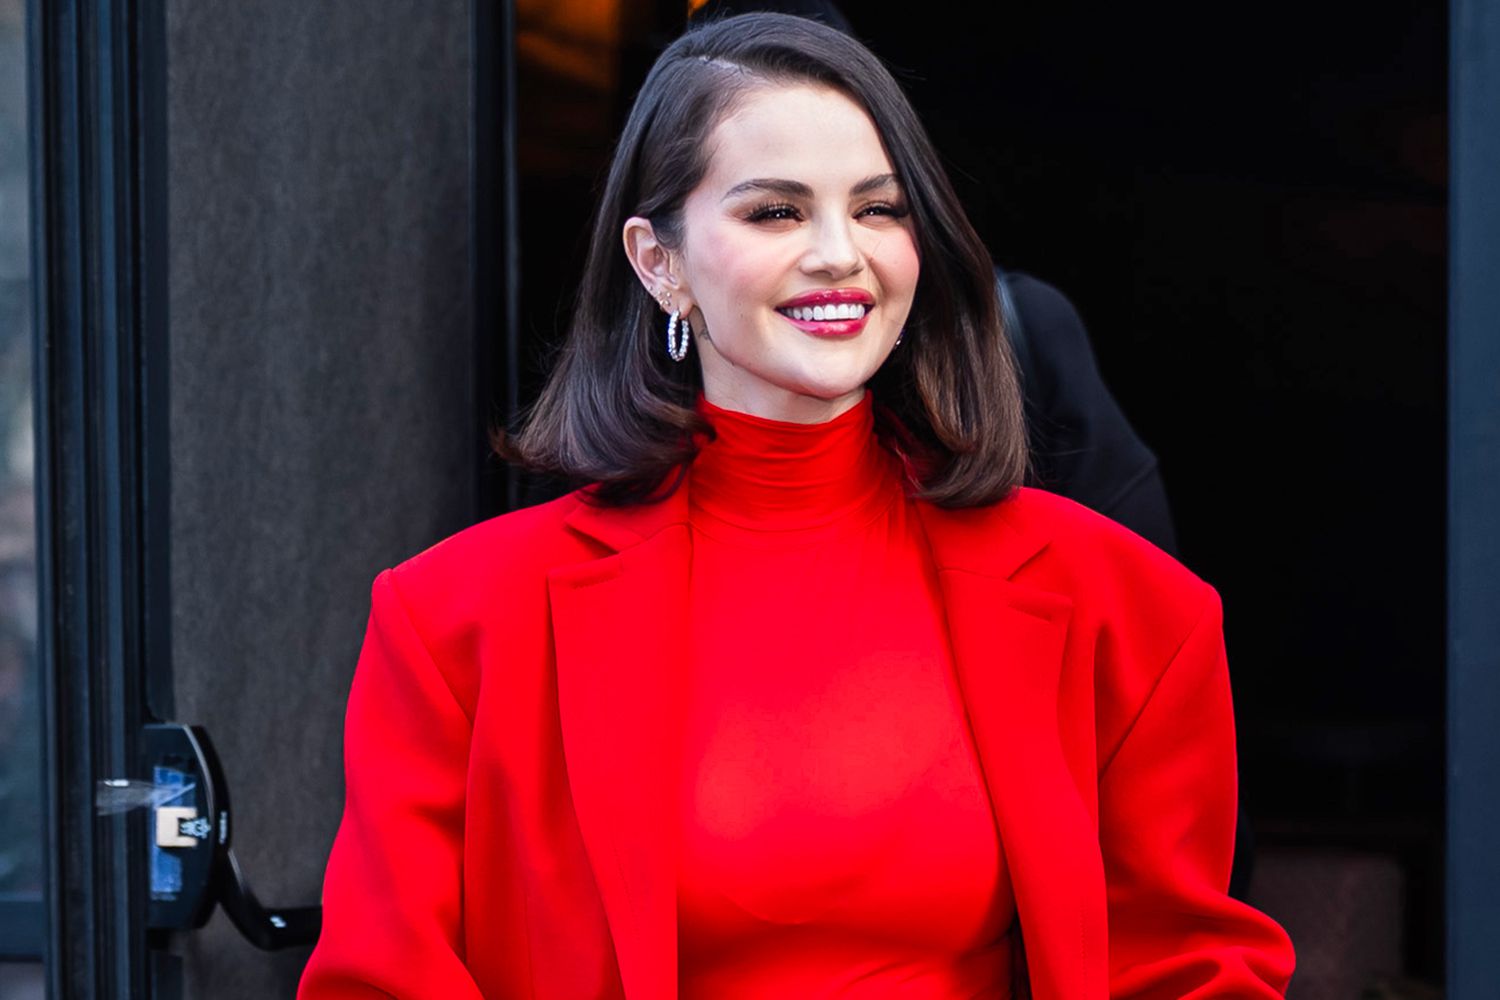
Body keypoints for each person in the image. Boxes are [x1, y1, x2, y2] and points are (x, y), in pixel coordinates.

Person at [298, 12, 1294, 999]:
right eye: (776, 211)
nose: (838, 255)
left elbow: (1192, 973)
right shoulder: (454, 622)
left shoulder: (1129, 607)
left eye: (879, 209)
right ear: (659, 262)